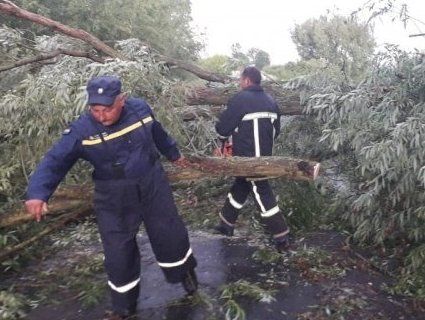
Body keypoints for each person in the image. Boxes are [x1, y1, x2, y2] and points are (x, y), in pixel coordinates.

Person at [25, 75, 198, 320]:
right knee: (118, 250)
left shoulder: (140, 109)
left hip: (152, 182)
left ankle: (184, 274)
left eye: (107, 109)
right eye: (95, 109)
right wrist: (37, 194)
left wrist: (173, 153)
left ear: (122, 100)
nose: (101, 115)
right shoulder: (81, 130)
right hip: (113, 195)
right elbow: (55, 160)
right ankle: (123, 306)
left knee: (168, 232)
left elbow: (158, 132)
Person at [214, 66, 290, 252]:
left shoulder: (241, 99)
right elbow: (277, 130)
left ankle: (282, 236)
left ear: (247, 81)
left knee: (261, 192)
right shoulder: (271, 101)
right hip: (265, 156)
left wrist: (222, 143)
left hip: (250, 159)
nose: (239, 84)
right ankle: (226, 224)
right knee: (241, 185)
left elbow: (223, 127)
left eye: (241, 80)